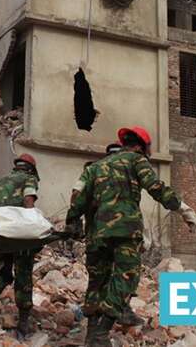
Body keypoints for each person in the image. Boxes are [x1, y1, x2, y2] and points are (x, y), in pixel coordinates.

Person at [65, 126, 187, 346]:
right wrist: (181, 207)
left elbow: (77, 196)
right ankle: (103, 332)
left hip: (97, 235)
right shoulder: (136, 160)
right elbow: (155, 187)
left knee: (97, 282)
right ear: (141, 146)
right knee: (126, 277)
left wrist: (72, 223)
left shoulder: (95, 167)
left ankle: (92, 335)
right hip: (125, 231)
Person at [0, 153, 40, 335]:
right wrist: (34, 223)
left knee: (3, 270)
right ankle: (24, 321)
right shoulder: (29, 179)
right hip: (19, 234)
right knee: (23, 275)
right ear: (31, 169)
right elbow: (28, 199)